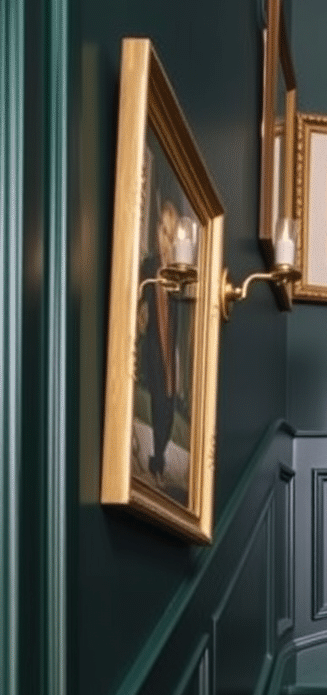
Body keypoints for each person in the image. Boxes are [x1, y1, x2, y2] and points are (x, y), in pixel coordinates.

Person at [136, 196, 181, 481]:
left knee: (169, 400)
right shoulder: (150, 265)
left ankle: (159, 458)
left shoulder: (177, 272)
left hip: (170, 349)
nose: (162, 233)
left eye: (165, 228)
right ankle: (156, 459)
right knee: (158, 400)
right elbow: (139, 298)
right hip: (152, 343)